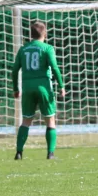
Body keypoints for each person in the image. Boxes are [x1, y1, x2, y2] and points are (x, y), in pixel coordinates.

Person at [12, 21, 66, 160]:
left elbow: (14, 69)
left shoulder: (23, 49)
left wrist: (16, 88)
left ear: (31, 34)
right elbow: (54, 68)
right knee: (50, 120)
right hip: (43, 87)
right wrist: (61, 85)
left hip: (27, 87)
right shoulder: (47, 48)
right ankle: (50, 153)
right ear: (45, 33)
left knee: (26, 121)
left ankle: (19, 152)